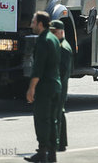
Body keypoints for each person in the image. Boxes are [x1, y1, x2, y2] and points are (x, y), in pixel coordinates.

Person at [25, 11, 62, 163]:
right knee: (52, 120)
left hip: (45, 86)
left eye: (33, 22)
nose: (31, 25)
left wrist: (31, 88)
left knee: (42, 120)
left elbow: (38, 67)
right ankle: (52, 154)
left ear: (40, 24)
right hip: (56, 85)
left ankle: (42, 152)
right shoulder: (53, 38)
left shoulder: (42, 41)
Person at [49, 20, 73, 153]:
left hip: (58, 85)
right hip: (58, 84)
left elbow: (61, 70)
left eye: (54, 32)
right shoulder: (59, 44)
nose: (51, 34)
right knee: (58, 112)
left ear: (61, 32)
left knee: (56, 113)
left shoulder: (63, 48)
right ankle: (61, 143)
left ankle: (57, 143)